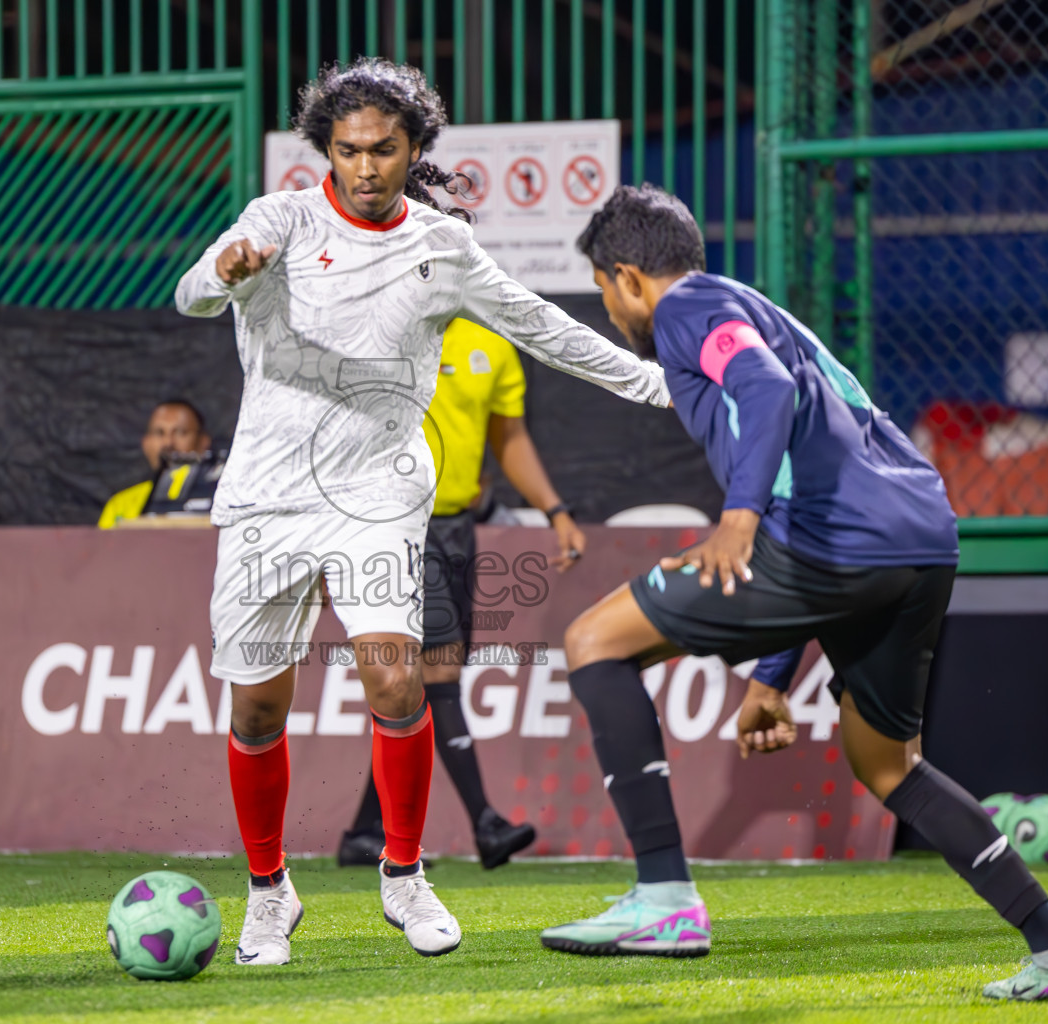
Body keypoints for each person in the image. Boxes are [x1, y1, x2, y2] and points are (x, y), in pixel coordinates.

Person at [537, 185, 1048, 1006]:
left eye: (601, 288)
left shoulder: (687, 308)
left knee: (594, 641)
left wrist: (735, 520)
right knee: (886, 763)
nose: (607, 305)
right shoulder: (758, 310)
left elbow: (765, 395)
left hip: (833, 542)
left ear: (627, 275)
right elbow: (808, 462)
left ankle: (664, 899)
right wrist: (771, 679)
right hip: (920, 543)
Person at [174, 58, 670, 966]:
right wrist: (225, 266)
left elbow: (543, 327)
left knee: (399, 682)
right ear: (324, 148)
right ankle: (267, 895)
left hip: (375, 496)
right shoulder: (278, 221)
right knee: (255, 710)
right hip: (268, 501)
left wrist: (651, 383)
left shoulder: (442, 248)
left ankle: (403, 876)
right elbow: (191, 291)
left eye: (385, 150)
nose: (365, 167)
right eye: (349, 149)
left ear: (414, 151)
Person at [337, 317, 580, 870]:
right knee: (440, 671)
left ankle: (364, 832)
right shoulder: (380, 328)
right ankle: (485, 823)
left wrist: (555, 511)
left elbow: (509, 439)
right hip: (392, 522)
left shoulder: (491, 343)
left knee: (422, 680)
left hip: (456, 529)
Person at [98, 400, 217, 526]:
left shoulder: (221, 498)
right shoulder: (120, 504)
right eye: (159, 433)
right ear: (145, 443)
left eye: (181, 432)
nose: (168, 443)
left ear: (204, 441)